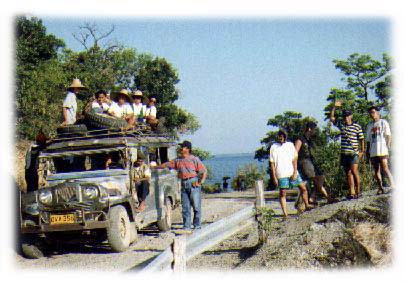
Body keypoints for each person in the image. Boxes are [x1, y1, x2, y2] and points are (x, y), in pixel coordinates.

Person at [158, 141, 207, 233]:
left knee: (196, 206)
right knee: (185, 207)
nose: (180, 149)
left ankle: (197, 226)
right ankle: (186, 227)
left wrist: (200, 182)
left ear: (187, 149)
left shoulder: (194, 159)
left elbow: (204, 171)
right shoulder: (178, 160)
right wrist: (156, 167)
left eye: (182, 147)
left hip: (193, 183)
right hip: (183, 184)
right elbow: (167, 164)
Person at [270, 130, 314, 218]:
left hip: (291, 172)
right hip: (281, 173)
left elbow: (295, 159)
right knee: (283, 193)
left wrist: (294, 171)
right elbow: (272, 163)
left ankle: (307, 204)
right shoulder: (273, 147)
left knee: (303, 188)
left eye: (282, 136)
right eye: (279, 136)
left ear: (285, 136)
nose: (280, 137)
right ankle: (285, 214)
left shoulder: (290, 145)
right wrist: (274, 177)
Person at [330, 100, 365, 199]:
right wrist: (334, 107)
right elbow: (332, 119)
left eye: (347, 115)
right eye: (344, 116)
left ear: (351, 116)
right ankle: (352, 192)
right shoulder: (342, 125)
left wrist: (362, 151)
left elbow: (361, 139)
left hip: (353, 153)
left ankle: (358, 191)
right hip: (344, 153)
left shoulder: (357, 126)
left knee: (354, 171)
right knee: (348, 173)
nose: (346, 117)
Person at [295, 121, 333, 205]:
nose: (315, 131)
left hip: (310, 161)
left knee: (320, 177)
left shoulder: (309, 140)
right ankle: (327, 197)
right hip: (304, 161)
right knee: (315, 179)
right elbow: (295, 152)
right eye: (314, 129)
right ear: (309, 129)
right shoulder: (301, 138)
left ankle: (313, 196)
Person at [366, 106, 395, 194]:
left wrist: (388, 146)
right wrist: (367, 151)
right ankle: (380, 187)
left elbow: (388, 135)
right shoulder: (369, 125)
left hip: (382, 149)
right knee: (376, 170)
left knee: (385, 168)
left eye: (373, 112)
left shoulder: (383, 122)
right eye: (370, 113)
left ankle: (393, 185)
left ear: (378, 112)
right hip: (373, 150)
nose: (372, 114)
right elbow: (368, 139)